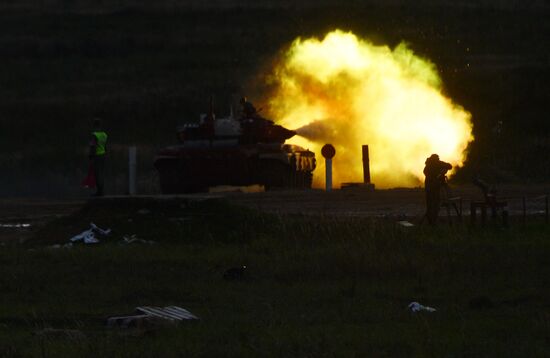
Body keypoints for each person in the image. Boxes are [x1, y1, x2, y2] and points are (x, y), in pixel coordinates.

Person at [423, 154, 452, 225]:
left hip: (428, 187)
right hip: (435, 187)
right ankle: (433, 220)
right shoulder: (438, 163)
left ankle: (431, 221)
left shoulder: (427, 166)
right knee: (436, 203)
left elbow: (449, 166)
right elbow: (449, 166)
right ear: (436, 159)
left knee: (430, 204)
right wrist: (441, 172)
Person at [89, 118, 108, 197]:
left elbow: (93, 146)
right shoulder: (104, 135)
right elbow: (105, 146)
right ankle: (101, 191)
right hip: (103, 155)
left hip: (97, 156)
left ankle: (99, 192)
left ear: (95, 126)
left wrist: (91, 157)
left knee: (97, 174)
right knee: (102, 173)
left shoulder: (95, 135)